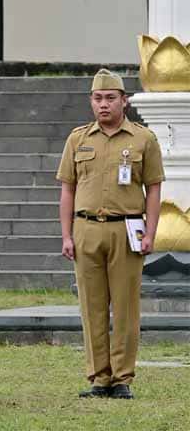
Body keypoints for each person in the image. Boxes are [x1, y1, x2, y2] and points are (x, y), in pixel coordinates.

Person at [56, 69, 164, 399]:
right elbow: (67, 190)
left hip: (127, 230)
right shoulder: (78, 139)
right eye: (98, 98)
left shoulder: (143, 139)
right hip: (86, 229)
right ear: (91, 101)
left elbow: (154, 188)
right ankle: (99, 377)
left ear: (124, 101)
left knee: (126, 307)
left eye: (110, 98)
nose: (103, 105)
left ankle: (122, 378)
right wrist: (66, 235)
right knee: (92, 308)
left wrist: (151, 233)